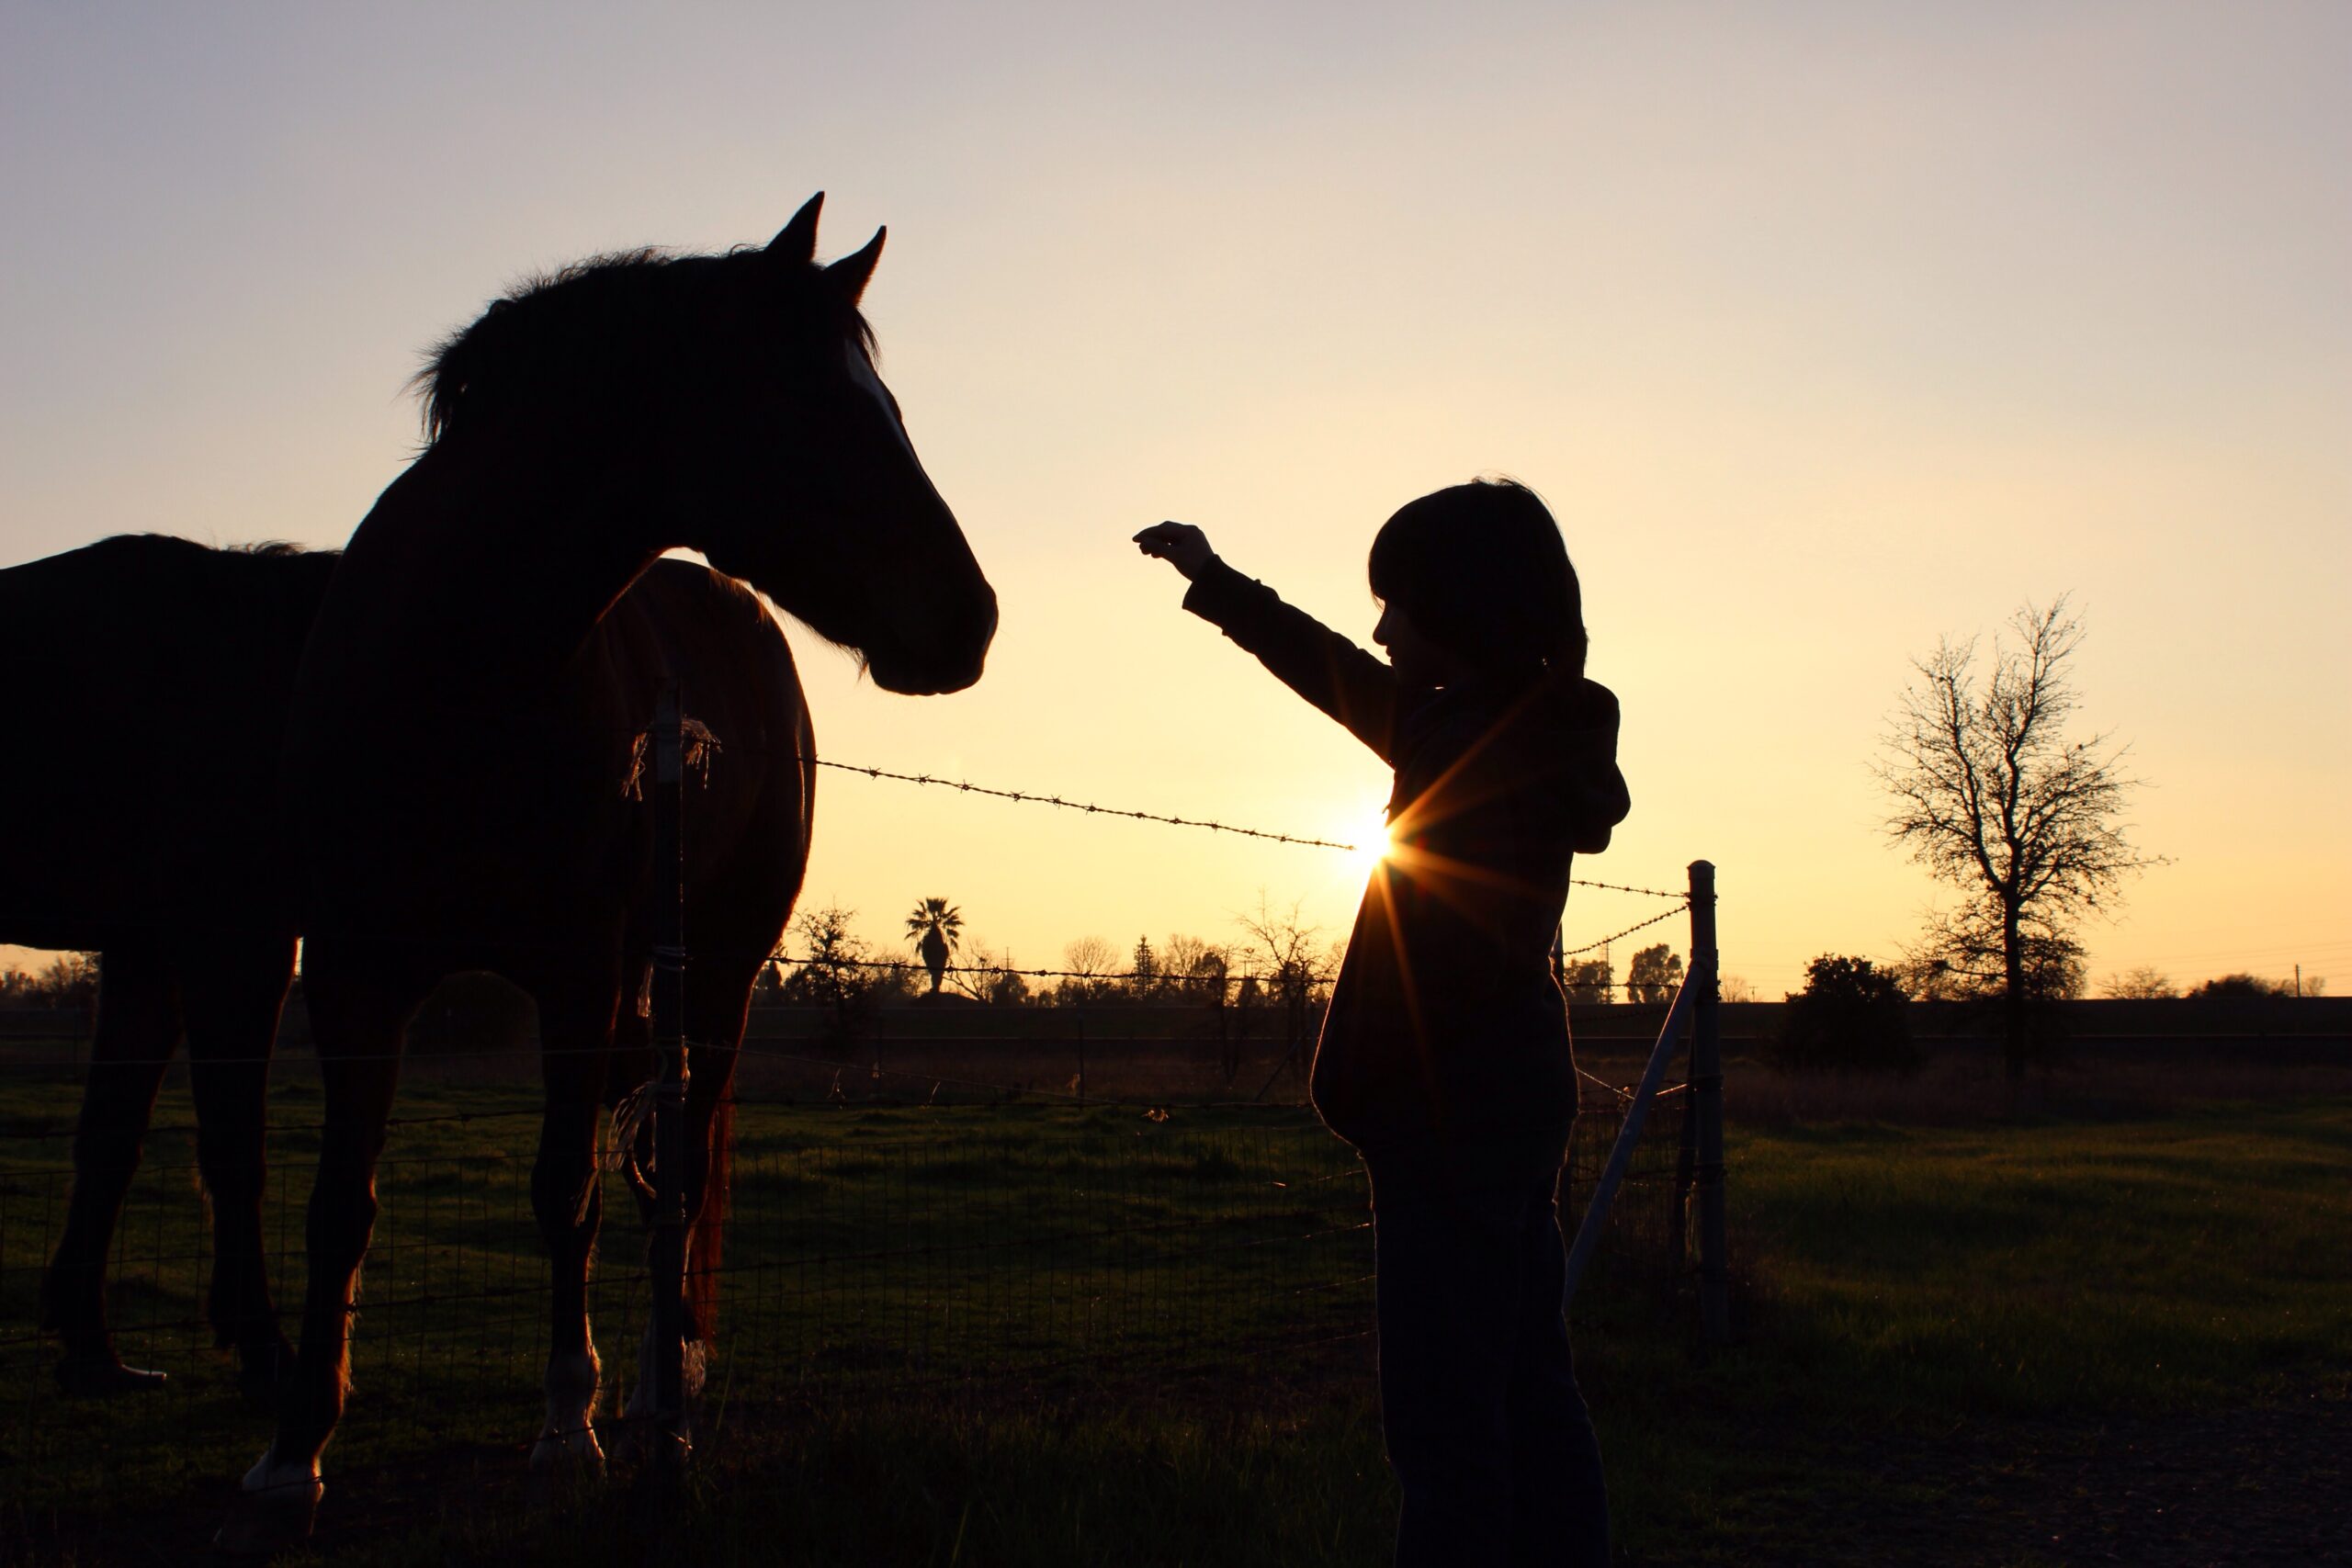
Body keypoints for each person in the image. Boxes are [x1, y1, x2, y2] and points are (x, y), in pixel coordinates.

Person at [1134, 478, 1627, 1568]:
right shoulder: (1494, 731)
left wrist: (1222, 590)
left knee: (1447, 1422)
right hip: (1477, 1118)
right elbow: (1335, 672)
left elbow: (1346, 681)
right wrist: (1218, 586)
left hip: (1448, 1126)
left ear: (1465, 607)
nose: (1379, 626)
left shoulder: (1487, 741)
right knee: (1524, 1385)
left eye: (1398, 602)